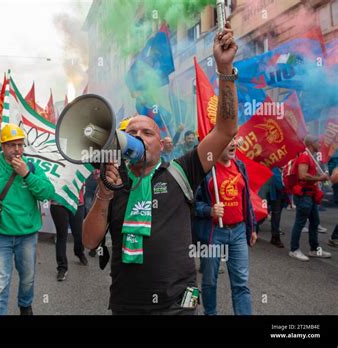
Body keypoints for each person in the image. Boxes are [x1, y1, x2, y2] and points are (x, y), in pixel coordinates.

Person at [83, 21, 240, 315]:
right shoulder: (114, 181)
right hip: (127, 305)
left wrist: (224, 71)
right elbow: (90, 241)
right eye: (133, 133)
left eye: (148, 133)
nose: (139, 138)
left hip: (182, 303)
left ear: (161, 143)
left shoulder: (182, 170)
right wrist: (104, 193)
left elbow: (226, 129)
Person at [0, 124, 54, 315]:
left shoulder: (32, 167)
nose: (17, 149)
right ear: (2, 147)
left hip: (27, 236)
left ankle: (25, 305)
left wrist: (27, 175)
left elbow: (47, 193)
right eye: (11, 145)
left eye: (20, 145)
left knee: (28, 279)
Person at [194, 139, 257, 315]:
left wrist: (252, 228)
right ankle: (210, 313)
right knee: (209, 281)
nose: (233, 144)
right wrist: (209, 210)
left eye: (235, 140)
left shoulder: (240, 166)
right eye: (227, 140)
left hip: (238, 232)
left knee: (241, 283)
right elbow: (191, 202)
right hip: (213, 233)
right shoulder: (206, 169)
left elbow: (246, 200)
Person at [289, 135, 331, 261]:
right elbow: (302, 175)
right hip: (304, 196)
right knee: (300, 223)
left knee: (314, 222)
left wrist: (320, 176)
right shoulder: (305, 156)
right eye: (318, 142)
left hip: (310, 195)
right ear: (312, 143)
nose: (320, 144)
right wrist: (320, 178)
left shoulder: (311, 157)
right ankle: (294, 250)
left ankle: (314, 249)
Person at [50, 188, 88, 281]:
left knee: (78, 233)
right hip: (58, 203)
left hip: (77, 203)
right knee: (61, 236)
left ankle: (79, 252)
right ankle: (62, 268)